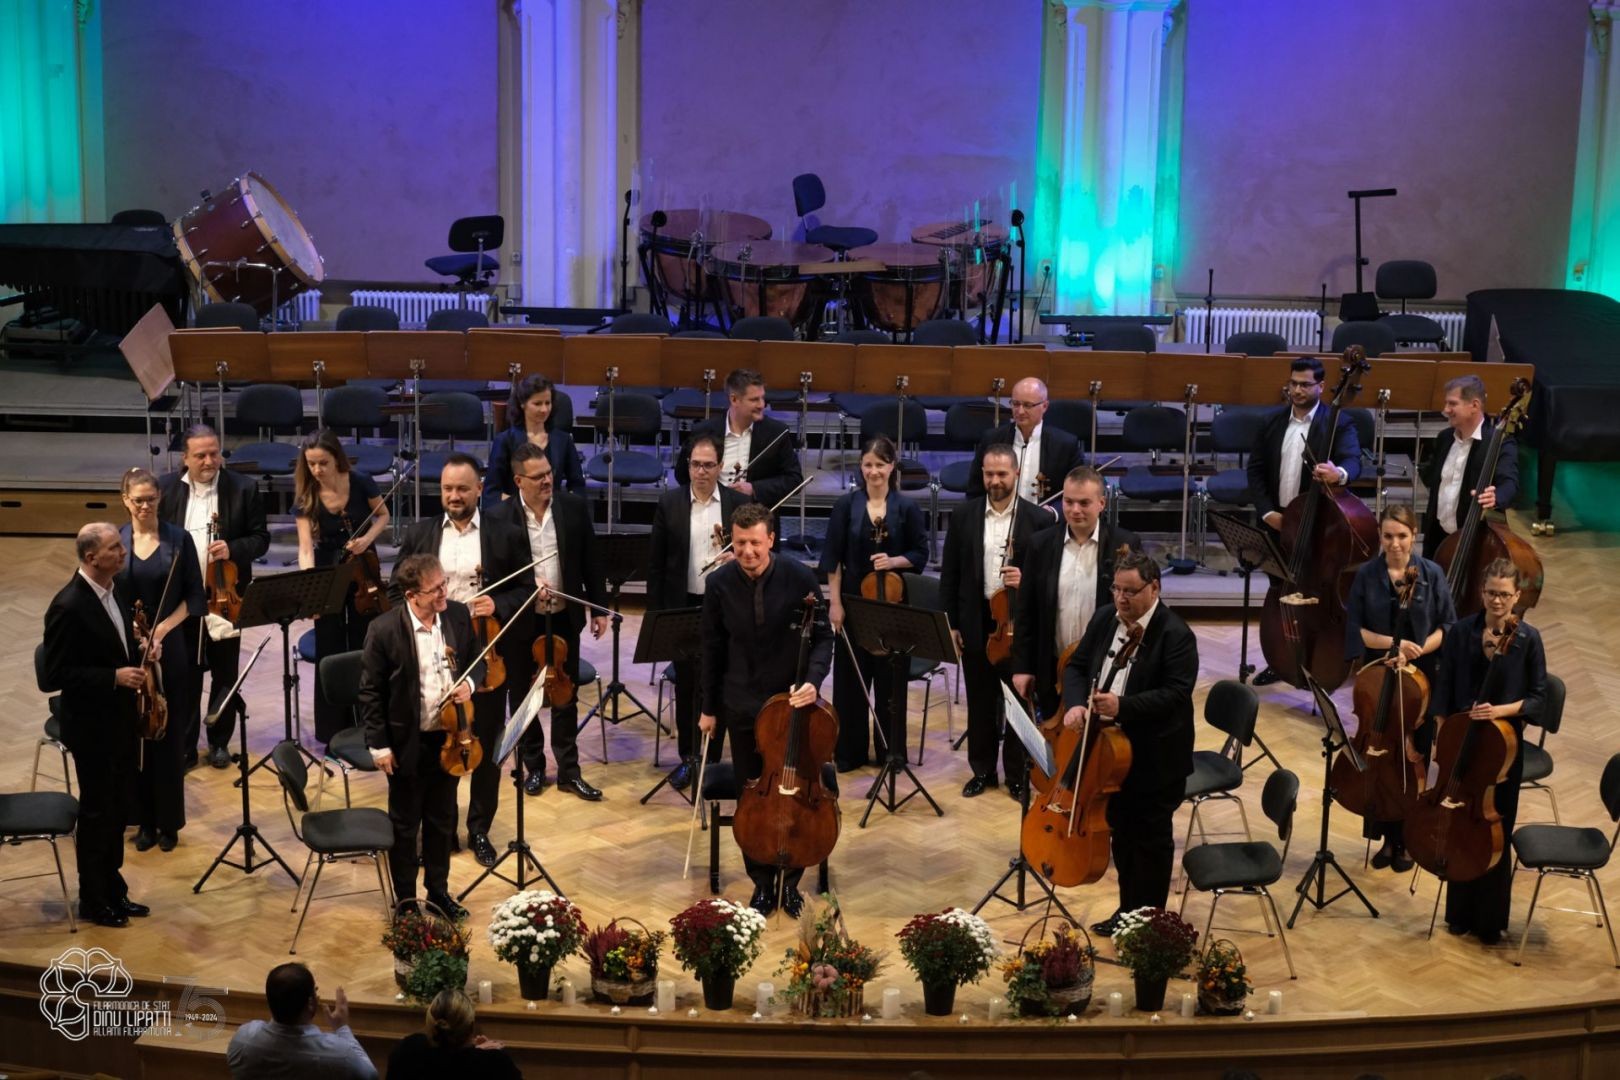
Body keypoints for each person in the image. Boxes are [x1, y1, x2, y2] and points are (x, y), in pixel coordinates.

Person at [700, 502, 833, 917]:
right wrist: (708, 709)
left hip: (791, 706)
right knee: (752, 797)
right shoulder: (719, 584)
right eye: (740, 543)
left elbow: (824, 638)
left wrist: (813, 681)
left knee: (795, 797)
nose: (748, 551)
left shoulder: (799, 578)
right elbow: (711, 650)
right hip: (741, 704)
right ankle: (761, 881)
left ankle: (790, 882)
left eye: (755, 543)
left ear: (771, 539)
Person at [395, 453, 528, 868]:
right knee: (442, 741)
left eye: (462, 489)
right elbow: (397, 588)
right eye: (447, 489)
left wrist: (498, 603)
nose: (454, 496)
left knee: (484, 739)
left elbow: (525, 589)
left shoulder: (506, 534)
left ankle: (480, 828)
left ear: (479, 489)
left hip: (485, 648)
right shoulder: (420, 534)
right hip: (433, 649)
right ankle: (443, 827)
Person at [1061, 549, 1198, 935]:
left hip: (1155, 757)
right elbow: (1076, 665)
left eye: (1130, 591)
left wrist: (1122, 706)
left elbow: (1175, 695)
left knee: (1150, 842)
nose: (1121, 599)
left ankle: (1149, 926)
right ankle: (1127, 911)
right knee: (1121, 833)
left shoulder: (1175, 635)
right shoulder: (1106, 618)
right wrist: (1075, 704)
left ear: (1154, 588)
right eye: (1116, 590)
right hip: (1109, 754)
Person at [358, 553, 482, 920]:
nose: (444, 593)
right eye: (436, 589)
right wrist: (379, 745)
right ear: (412, 595)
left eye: (444, 584)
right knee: (406, 825)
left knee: (442, 822)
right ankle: (407, 901)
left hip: (450, 740)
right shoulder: (383, 630)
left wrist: (470, 684)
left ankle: (438, 893)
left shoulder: (456, 615)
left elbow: (477, 660)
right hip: (406, 743)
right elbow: (370, 693)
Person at [1432, 559, 1547, 945]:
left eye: (1505, 594)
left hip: (1503, 753)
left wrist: (1500, 710)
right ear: (1482, 593)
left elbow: (1538, 699)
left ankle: (1490, 920)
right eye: (1491, 593)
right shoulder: (1461, 632)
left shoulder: (1528, 639)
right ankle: (1458, 914)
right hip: (1462, 742)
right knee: (1461, 826)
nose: (1497, 601)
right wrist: (1441, 733)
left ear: (1517, 596)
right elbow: (1444, 686)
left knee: (1495, 828)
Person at [41, 523, 150, 928]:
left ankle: (113, 888)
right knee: (97, 811)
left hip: (119, 720)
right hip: (91, 727)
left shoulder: (113, 591)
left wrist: (141, 647)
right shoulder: (68, 606)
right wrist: (113, 677)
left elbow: (114, 645)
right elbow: (56, 674)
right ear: (92, 558)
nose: (123, 552)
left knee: (118, 809)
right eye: (115, 548)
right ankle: (93, 898)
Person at [488, 441, 609, 801]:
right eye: (538, 476)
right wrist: (528, 586)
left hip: (564, 616)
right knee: (523, 696)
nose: (547, 481)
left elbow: (591, 560)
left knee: (565, 695)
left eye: (549, 473)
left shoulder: (572, 507)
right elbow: (498, 576)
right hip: (522, 620)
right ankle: (534, 767)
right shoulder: (498, 517)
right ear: (518, 481)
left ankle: (569, 772)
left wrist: (599, 608)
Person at [1343, 503, 1456, 871]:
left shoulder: (1432, 574)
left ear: (1414, 536)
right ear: (1380, 536)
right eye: (1388, 536)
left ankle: (1407, 839)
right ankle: (1386, 837)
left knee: (1411, 757)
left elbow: (1447, 627)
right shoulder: (1367, 575)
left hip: (1420, 682)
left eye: (1402, 536)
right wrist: (1393, 645)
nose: (1395, 544)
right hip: (1379, 677)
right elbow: (1354, 628)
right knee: (1380, 759)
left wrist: (1417, 649)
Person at [159, 422, 270, 770]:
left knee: (225, 673)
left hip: (225, 595)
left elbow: (261, 539)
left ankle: (219, 742)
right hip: (183, 599)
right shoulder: (166, 489)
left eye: (214, 453)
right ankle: (186, 747)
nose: (209, 461)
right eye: (201, 455)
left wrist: (232, 548)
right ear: (185, 458)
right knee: (186, 676)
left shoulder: (243, 488)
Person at [1246, 355, 1362, 685]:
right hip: (1278, 524)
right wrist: (1268, 513)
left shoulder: (1338, 423)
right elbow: (1255, 470)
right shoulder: (1271, 422)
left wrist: (1339, 473)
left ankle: (1318, 660)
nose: (1297, 390)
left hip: (1318, 527)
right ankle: (1281, 660)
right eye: (1293, 384)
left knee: (1317, 597)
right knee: (1280, 593)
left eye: (1305, 385)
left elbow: (1353, 461)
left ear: (1321, 387)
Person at [1011, 466, 1142, 751]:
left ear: (1101, 503)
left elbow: (1136, 610)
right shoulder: (1040, 544)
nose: (1075, 510)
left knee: (1098, 748)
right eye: (1068, 502)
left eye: (1084, 503)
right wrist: (1022, 667)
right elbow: (1026, 612)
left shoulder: (1124, 544)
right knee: (1055, 741)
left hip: (1102, 667)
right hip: (1052, 665)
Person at [938, 444, 1041, 798]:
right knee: (980, 701)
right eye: (989, 474)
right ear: (981, 474)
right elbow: (949, 575)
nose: (995, 481)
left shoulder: (1037, 519)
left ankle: (1016, 775)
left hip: (1016, 623)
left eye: (1002, 474)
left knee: (1017, 701)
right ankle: (982, 771)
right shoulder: (963, 515)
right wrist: (951, 624)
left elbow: (1047, 579)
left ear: (1016, 474)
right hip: (976, 619)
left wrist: (1025, 580)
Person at [819, 436, 926, 772]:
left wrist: (893, 561)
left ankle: (891, 753)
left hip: (893, 606)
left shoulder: (906, 508)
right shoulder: (845, 506)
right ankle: (849, 753)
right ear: (861, 467)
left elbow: (920, 554)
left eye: (880, 464)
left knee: (890, 682)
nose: (873, 471)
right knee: (850, 681)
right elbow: (832, 559)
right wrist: (835, 604)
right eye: (868, 464)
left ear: (892, 466)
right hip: (853, 603)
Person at [645, 432, 743, 790]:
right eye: (695, 465)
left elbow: (756, 553)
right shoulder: (670, 503)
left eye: (708, 465)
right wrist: (656, 618)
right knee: (687, 683)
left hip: (725, 607)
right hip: (683, 604)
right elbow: (656, 566)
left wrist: (737, 558)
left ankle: (712, 759)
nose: (701, 472)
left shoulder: (736, 504)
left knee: (719, 682)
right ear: (687, 466)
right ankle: (689, 757)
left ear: (720, 466)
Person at [117, 467, 205, 853]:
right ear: (125, 500)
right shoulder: (117, 541)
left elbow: (194, 596)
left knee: (168, 736)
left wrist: (162, 631)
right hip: (131, 650)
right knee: (137, 734)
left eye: (150, 499)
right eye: (137, 500)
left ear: (159, 499)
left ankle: (169, 822)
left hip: (170, 648)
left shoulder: (178, 539)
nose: (145, 506)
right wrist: (136, 636)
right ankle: (144, 821)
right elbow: (111, 598)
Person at [296, 428, 390, 742]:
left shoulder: (361, 481)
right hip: (329, 571)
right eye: (311, 464)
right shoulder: (307, 494)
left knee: (366, 644)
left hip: (364, 568)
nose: (317, 470)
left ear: (337, 458)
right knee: (329, 647)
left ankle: (370, 725)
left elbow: (383, 516)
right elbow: (306, 549)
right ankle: (332, 731)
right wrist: (311, 590)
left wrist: (366, 539)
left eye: (322, 463)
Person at [1421, 374, 1519, 559]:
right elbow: (1431, 476)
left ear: (1474, 405)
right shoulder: (1444, 438)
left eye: (1452, 404)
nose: (1445, 410)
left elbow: (1510, 483)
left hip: (1474, 541)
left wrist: (1496, 496)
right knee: (1422, 578)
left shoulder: (1500, 443)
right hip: (1437, 538)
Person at [226, 962, 376, 1079]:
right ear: (310, 1003)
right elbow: (371, 1076)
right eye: (315, 991)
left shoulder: (242, 1040)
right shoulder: (340, 1055)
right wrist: (342, 1028)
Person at [674, 368, 802, 504]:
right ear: (734, 399)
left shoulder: (777, 432)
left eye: (762, 398)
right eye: (754, 400)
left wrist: (754, 489)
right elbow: (682, 475)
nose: (762, 405)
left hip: (756, 512)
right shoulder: (703, 431)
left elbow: (794, 479)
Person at [964, 376, 1083, 516]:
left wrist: (1053, 512)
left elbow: (1077, 491)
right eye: (1015, 404)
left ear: (1045, 406)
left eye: (1027, 405)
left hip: (1045, 523)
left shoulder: (1065, 444)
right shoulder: (991, 439)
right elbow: (975, 490)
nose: (1020, 411)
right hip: (999, 519)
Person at [484, 373, 585, 506]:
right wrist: (523, 506)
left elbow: (578, 486)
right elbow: (491, 493)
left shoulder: (564, 440)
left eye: (547, 403)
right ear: (522, 404)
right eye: (537, 404)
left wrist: (566, 507)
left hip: (553, 512)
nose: (544, 409)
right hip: (515, 512)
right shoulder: (505, 440)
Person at [385, 988, 520, 1079]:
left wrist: (476, 1052)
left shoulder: (406, 1053)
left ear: (430, 1024)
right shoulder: (496, 1065)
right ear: (471, 1027)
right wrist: (485, 1054)